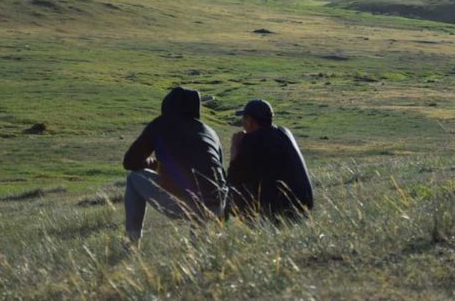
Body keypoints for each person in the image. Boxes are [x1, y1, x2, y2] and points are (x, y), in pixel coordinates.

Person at [122, 87, 227, 244]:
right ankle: (202, 245)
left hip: (188, 203)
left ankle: (132, 242)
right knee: (199, 253)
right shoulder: (209, 132)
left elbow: (130, 162)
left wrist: (152, 164)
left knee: (133, 178)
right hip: (219, 204)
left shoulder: (161, 125)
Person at [227, 99, 313, 221]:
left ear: (251, 121)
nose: (243, 124)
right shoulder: (284, 132)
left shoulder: (251, 141)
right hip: (305, 205)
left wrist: (234, 149)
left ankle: (251, 224)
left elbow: (233, 179)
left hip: (280, 211)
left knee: (229, 191)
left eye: (244, 119)